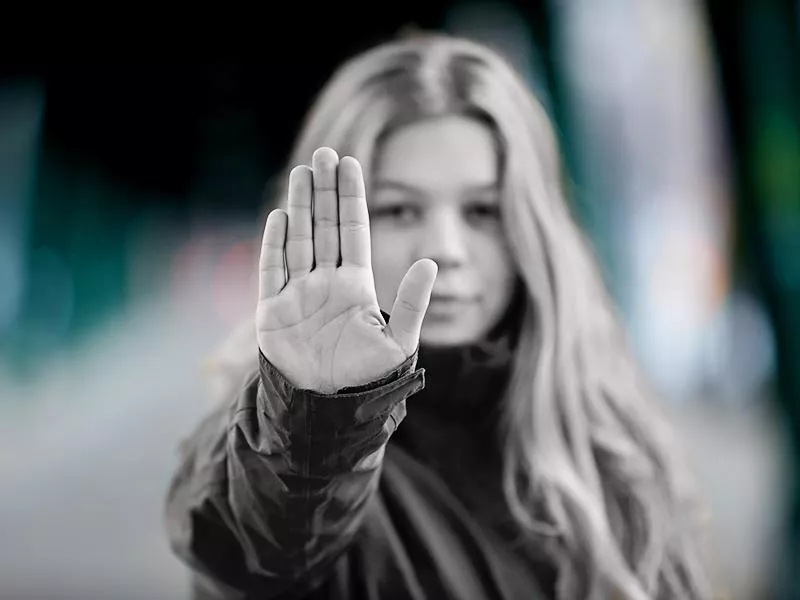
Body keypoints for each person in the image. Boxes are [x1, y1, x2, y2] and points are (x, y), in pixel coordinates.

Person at [164, 33, 715, 600]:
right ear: (323, 219)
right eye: (399, 209)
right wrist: (316, 416)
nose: (444, 249)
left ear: (535, 230)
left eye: (483, 210)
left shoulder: (606, 426)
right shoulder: (274, 441)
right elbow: (253, 551)